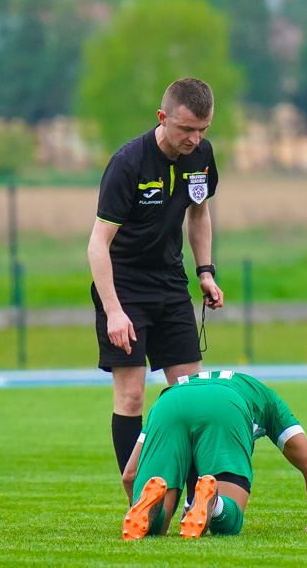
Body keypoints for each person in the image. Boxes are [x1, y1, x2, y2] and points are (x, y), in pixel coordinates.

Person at [87, 78, 224, 477]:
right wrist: (114, 311)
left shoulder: (201, 155)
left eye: (203, 130)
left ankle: (195, 496)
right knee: (131, 396)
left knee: (189, 396)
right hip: (124, 285)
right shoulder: (128, 163)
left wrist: (205, 272)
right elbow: (98, 244)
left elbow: (199, 213)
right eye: (186, 129)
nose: (195, 139)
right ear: (163, 118)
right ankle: (141, 496)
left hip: (170, 282)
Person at [119, 370, 307, 539]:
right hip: (228, 403)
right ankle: (216, 501)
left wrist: (134, 499)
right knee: (228, 525)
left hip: (169, 401)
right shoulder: (269, 400)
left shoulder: (173, 394)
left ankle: (147, 508)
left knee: (154, 530)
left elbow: (130, 474)